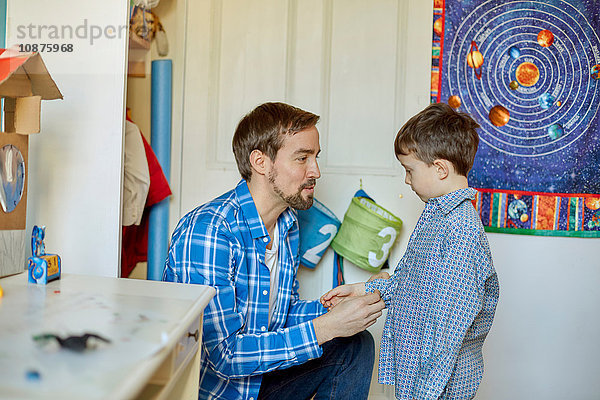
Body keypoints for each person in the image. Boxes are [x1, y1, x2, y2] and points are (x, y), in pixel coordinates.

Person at [162, 102, 385, 400]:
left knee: (356, 344)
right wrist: (326, 327)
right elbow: (225, 356)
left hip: (261, 384)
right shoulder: (211, 230)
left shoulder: (287, 225)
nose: (315, 171)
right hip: (221, 392)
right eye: (302, 158)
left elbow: (281, 314)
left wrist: (338, 308)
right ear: (261, 162)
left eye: (315, 157)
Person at [321, 103, 500, 400]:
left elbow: (448, 328)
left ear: (440, 169)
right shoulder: (436, 216)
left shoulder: (460, 232)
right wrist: (362, 288)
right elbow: (411, 282)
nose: (406, 180)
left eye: (409, 170)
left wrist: (426, 392)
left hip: (437, 385)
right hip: (416, 373)